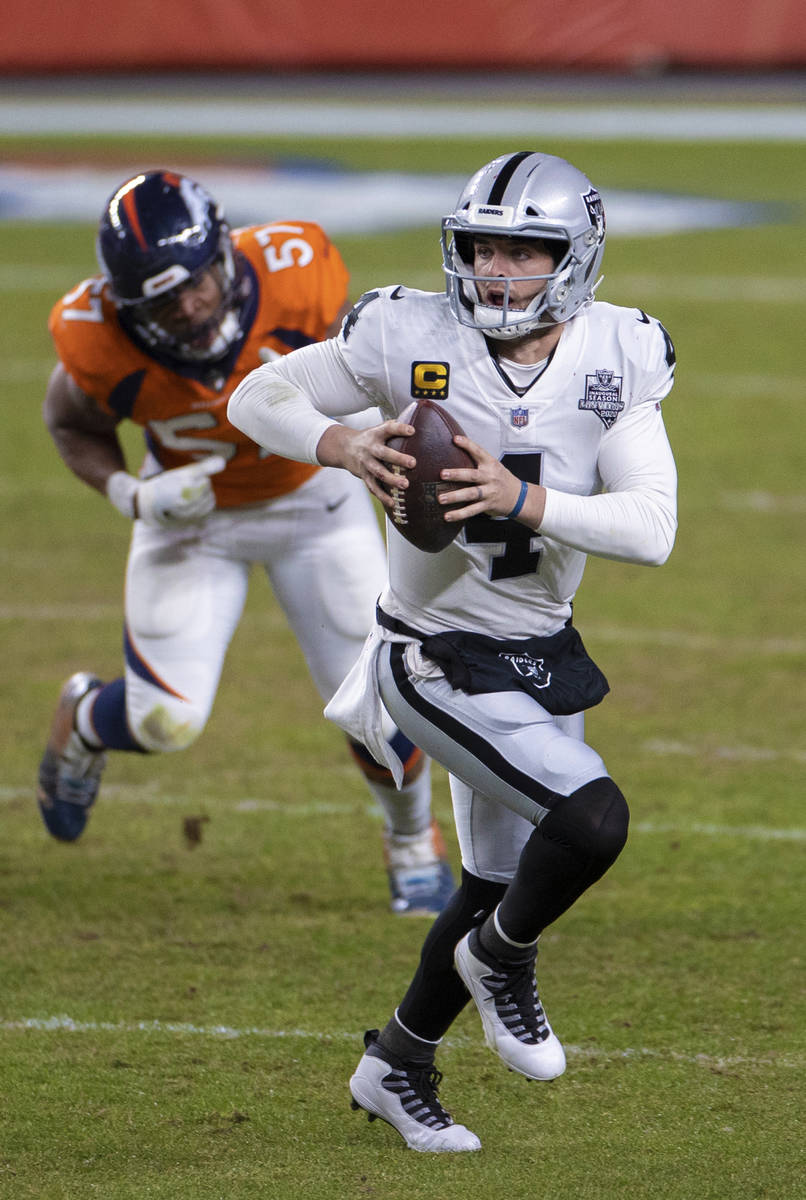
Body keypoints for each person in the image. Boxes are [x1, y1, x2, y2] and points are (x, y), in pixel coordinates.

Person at [227, 149, 678, 1151]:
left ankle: (394, 1062)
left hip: (538, 644)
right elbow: (255, 398)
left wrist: (524, 499)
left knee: (489, 882)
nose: (493, 271)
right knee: (592, 820)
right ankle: (502, 960)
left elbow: (651, 527)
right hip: (429, 652)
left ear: (572, 261)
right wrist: (342, 444)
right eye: (480, 249)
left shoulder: (618, 352)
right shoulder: (408, 331)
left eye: (522, 253)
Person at [38, 168, 456, 918]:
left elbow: (368, 368)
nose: (193, 305)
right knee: (167, 720)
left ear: (224, 251)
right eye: (165, 299)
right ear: (127, 305)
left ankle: (410, 841)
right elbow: (71, 421)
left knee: (377, 698)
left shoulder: (300, 275)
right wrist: (132, 493)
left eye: (199, 281)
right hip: (192, 525)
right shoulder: (94, 336)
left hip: (314, 502)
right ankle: (84, 719)